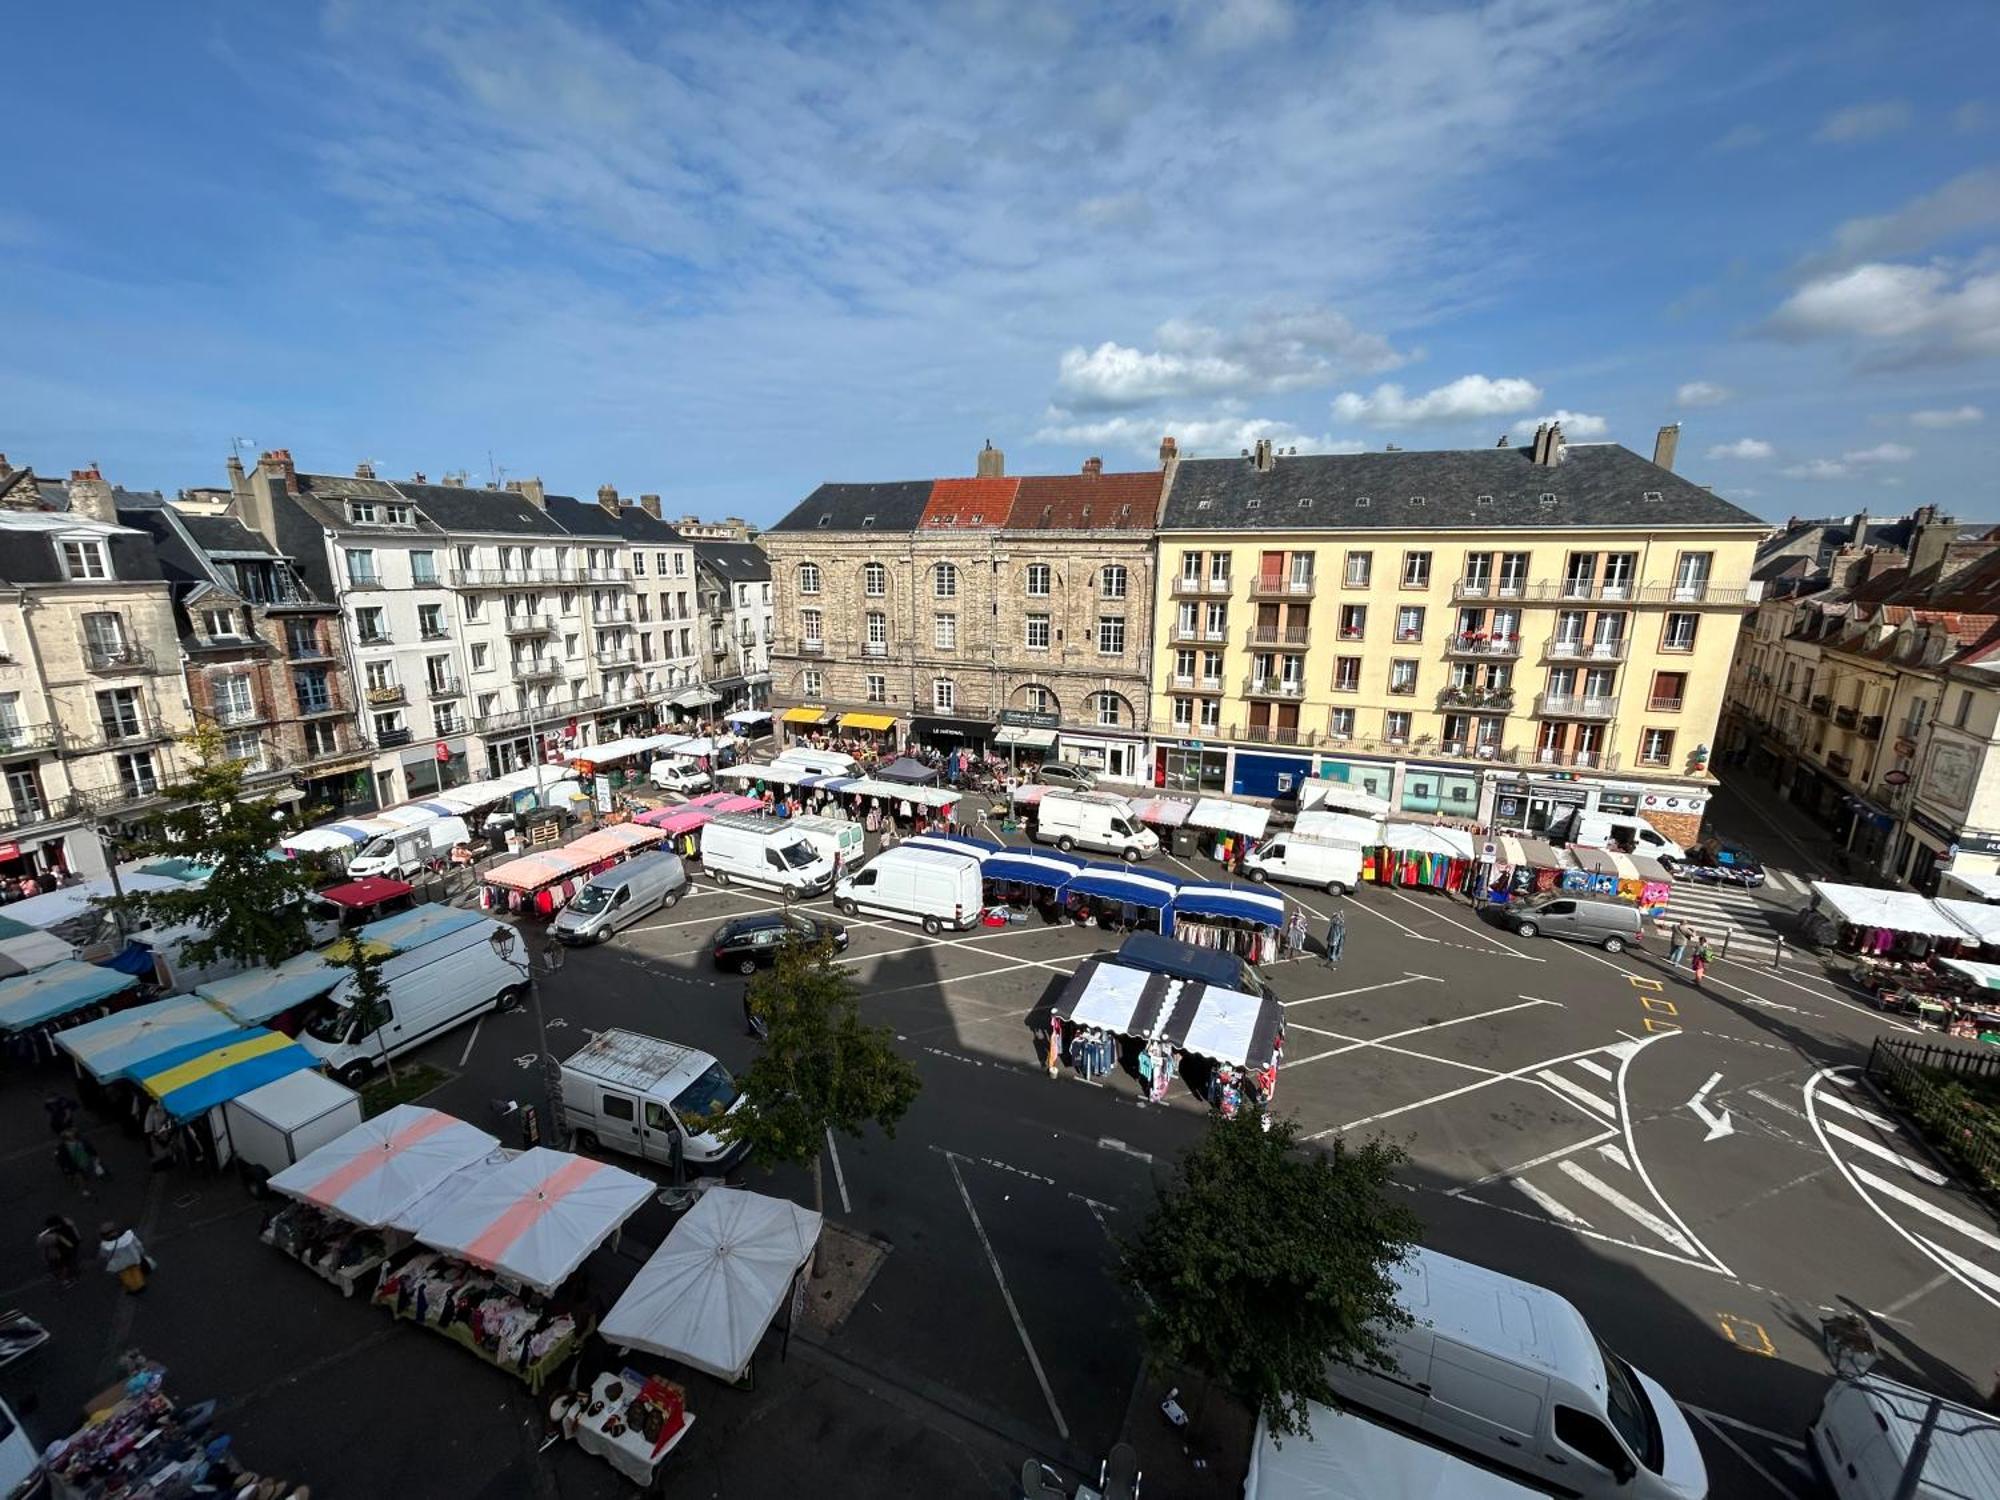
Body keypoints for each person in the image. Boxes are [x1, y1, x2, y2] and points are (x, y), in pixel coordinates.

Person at [100, 1221, 151, 1294]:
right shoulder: (128, 1236)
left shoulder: (105, 1245)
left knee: (125, 1275)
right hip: (132, 1258)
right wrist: (141, 1252)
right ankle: (140, 1285)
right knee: (135, 1271)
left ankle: (133, 1288)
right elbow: (137, 1244)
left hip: (119, 1264)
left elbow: (103, 1255)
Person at [38, 1213, 82, 1288]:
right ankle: (68, 1276)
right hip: (71, 1249)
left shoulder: (53, 1236)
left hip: (61, 1253)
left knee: (63, 1266)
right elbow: (77, 1236)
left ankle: (64, 1280)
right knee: (69, 1264)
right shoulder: (68, 1224)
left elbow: (40, 1241)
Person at [55, 1129, 101, 1198]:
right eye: (72, 1137)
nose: (75, 1138)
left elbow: (89, 1148)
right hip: (75, 1167)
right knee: (80, 1179)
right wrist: (66, 1171)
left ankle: (86, 1184)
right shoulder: (61, 1148)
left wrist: (95, 1156)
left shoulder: (81, 1141)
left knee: (87, 1175)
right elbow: (61, 1161)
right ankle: (84, 1190)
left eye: (74, 1136)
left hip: (85, 1162)